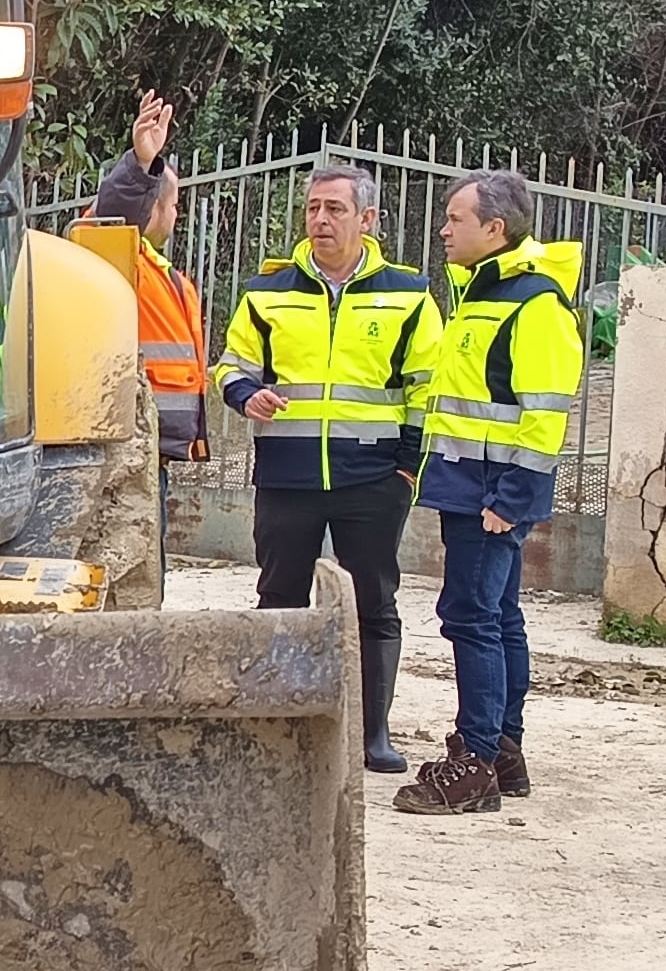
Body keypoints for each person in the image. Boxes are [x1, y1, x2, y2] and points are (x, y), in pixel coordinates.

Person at [218, 153, 441, 773]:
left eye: (335, 209)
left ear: (366, 219)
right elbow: (233, 364)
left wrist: (407, 469)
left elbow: (428, 388)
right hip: (287, 476)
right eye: (314, 208)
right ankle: (277, 727)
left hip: (373, 479)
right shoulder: (267, 292)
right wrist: (244, 393)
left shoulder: (410, 294)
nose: (320, 220)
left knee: (373, 602)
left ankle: (372, 736)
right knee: (280, 596)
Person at [393, 172, 581, 816]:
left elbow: (544, 411)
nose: (444, 230)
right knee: (496, 616)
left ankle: (474, 762)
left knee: (473, 617)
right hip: (472, 485)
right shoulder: (484, 294)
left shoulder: (533, 304)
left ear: (494, 229)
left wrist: (513, 496)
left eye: (456, 218)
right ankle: (500, 751)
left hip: (490, 493)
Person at [72, 90, 210, 462]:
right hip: (124, 447)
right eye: (175, 205)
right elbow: (110, 218)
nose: (176, 215)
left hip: (155, 448)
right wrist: (142, 164)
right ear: (156, 205)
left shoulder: (166, 276)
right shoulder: (120, 260)